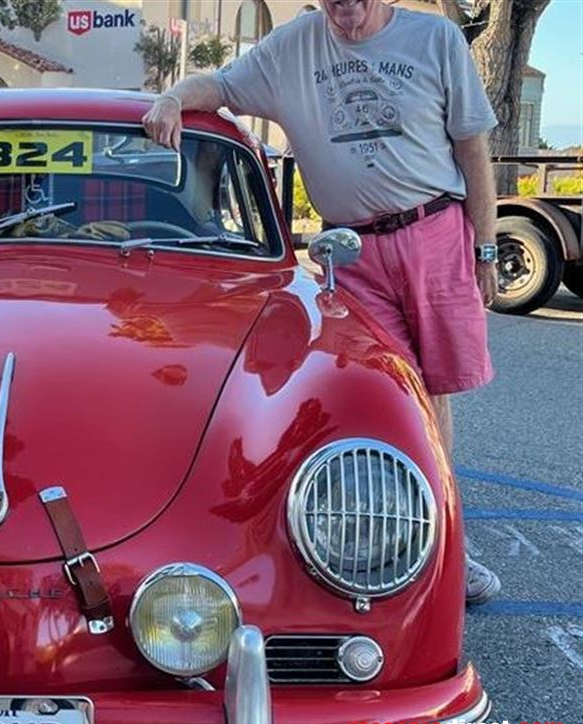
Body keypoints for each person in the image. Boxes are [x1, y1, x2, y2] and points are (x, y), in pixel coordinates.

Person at [142, 0, 501, 604]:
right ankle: (380, 540)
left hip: (433, 230)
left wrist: (485, 246)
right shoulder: (293, 46)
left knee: (433, 391)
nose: (345, 7)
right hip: (351, 247)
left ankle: (448, 546)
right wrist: (176, 97)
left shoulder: (435, 37)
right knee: (383, 390)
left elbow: (472, 147)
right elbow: (222, 86)